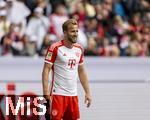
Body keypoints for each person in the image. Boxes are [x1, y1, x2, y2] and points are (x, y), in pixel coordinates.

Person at [42, 19, 92, 120]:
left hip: (73, 95)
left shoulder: (79, 49)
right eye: (72, 31)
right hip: (57, 94)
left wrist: (87, 92)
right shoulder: (55, 48)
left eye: (77, 31)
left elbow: (81, 71)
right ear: (65, 32)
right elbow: (46, 70)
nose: (75, 34)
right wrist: (46, 93)